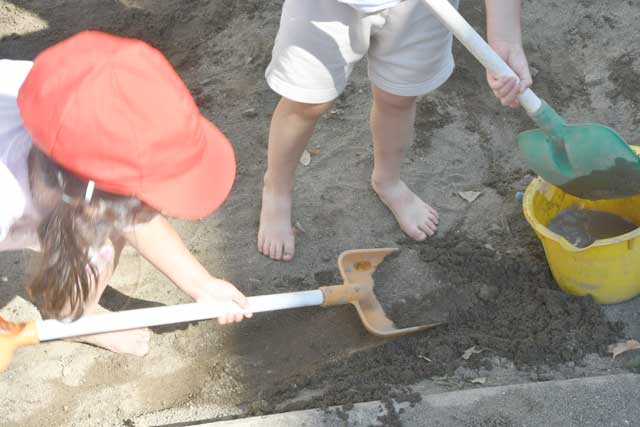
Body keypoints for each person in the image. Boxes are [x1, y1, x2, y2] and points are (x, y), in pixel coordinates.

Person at [0, 31, 251, 357]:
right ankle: (73, 319)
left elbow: (132, 213)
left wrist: (200, 284)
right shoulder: (7, 197)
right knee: (100, 227)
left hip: (59, 192)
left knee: (102, 224)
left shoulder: (62, 93)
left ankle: (74, 316)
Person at [258, 0, 533, 261]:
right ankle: (277, 188)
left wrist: (505, 37)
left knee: (399, 98)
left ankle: (387, 180)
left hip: (421, 9)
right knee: (308, 101)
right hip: (327, 9)